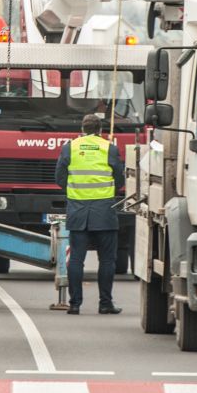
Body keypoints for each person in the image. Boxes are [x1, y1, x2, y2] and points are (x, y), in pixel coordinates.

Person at [54, 112, 126, 315]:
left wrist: (74, 192)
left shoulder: (70, 147)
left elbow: (59, 176)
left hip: (77, 209)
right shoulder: (109, 148)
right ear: (100, 130)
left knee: (76, 258)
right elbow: (119, 177)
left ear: (82, 130)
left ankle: (75, 304)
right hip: (104, 210)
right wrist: (111, 192)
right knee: (107, 260)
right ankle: (105, 304)